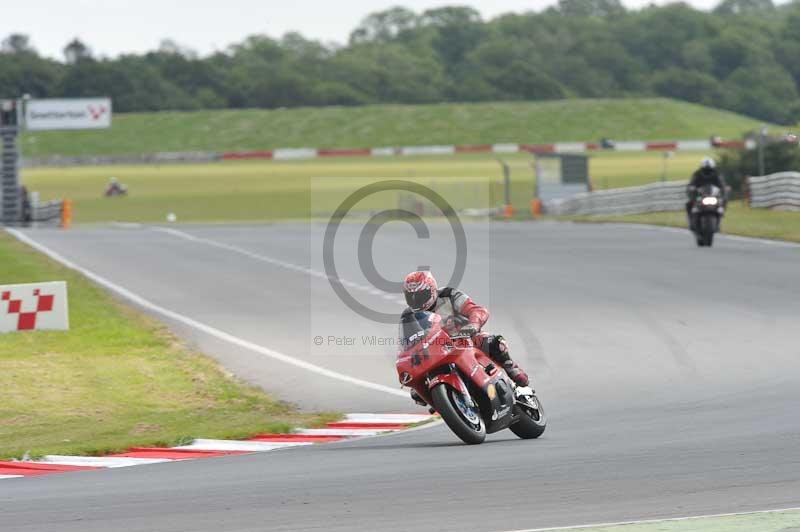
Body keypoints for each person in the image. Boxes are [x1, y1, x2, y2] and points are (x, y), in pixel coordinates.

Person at [401, 270, 532, 407]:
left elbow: (476, 310)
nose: (416, 301)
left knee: (494, 343)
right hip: (436, 352)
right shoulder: (408, 316)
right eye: (411, 297)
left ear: (432, 289)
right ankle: (449, 401)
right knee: (417, 392)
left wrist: (474, 324)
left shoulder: (448, 294)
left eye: (420, 296)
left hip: (466, 339)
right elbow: (407, 344)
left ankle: (511, 368)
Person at [686, 158, 727, 226]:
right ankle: (691, 219)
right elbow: (692, 182)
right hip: (700, 195)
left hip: (713, 194)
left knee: (722, 201)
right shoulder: (697, 173)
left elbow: (721, 183)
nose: (708, 171)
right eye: (706, 170)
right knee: (689, 204)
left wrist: (724, 188)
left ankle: (720, 213)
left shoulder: (716, 174)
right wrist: (692, 187)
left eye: (709, 169)